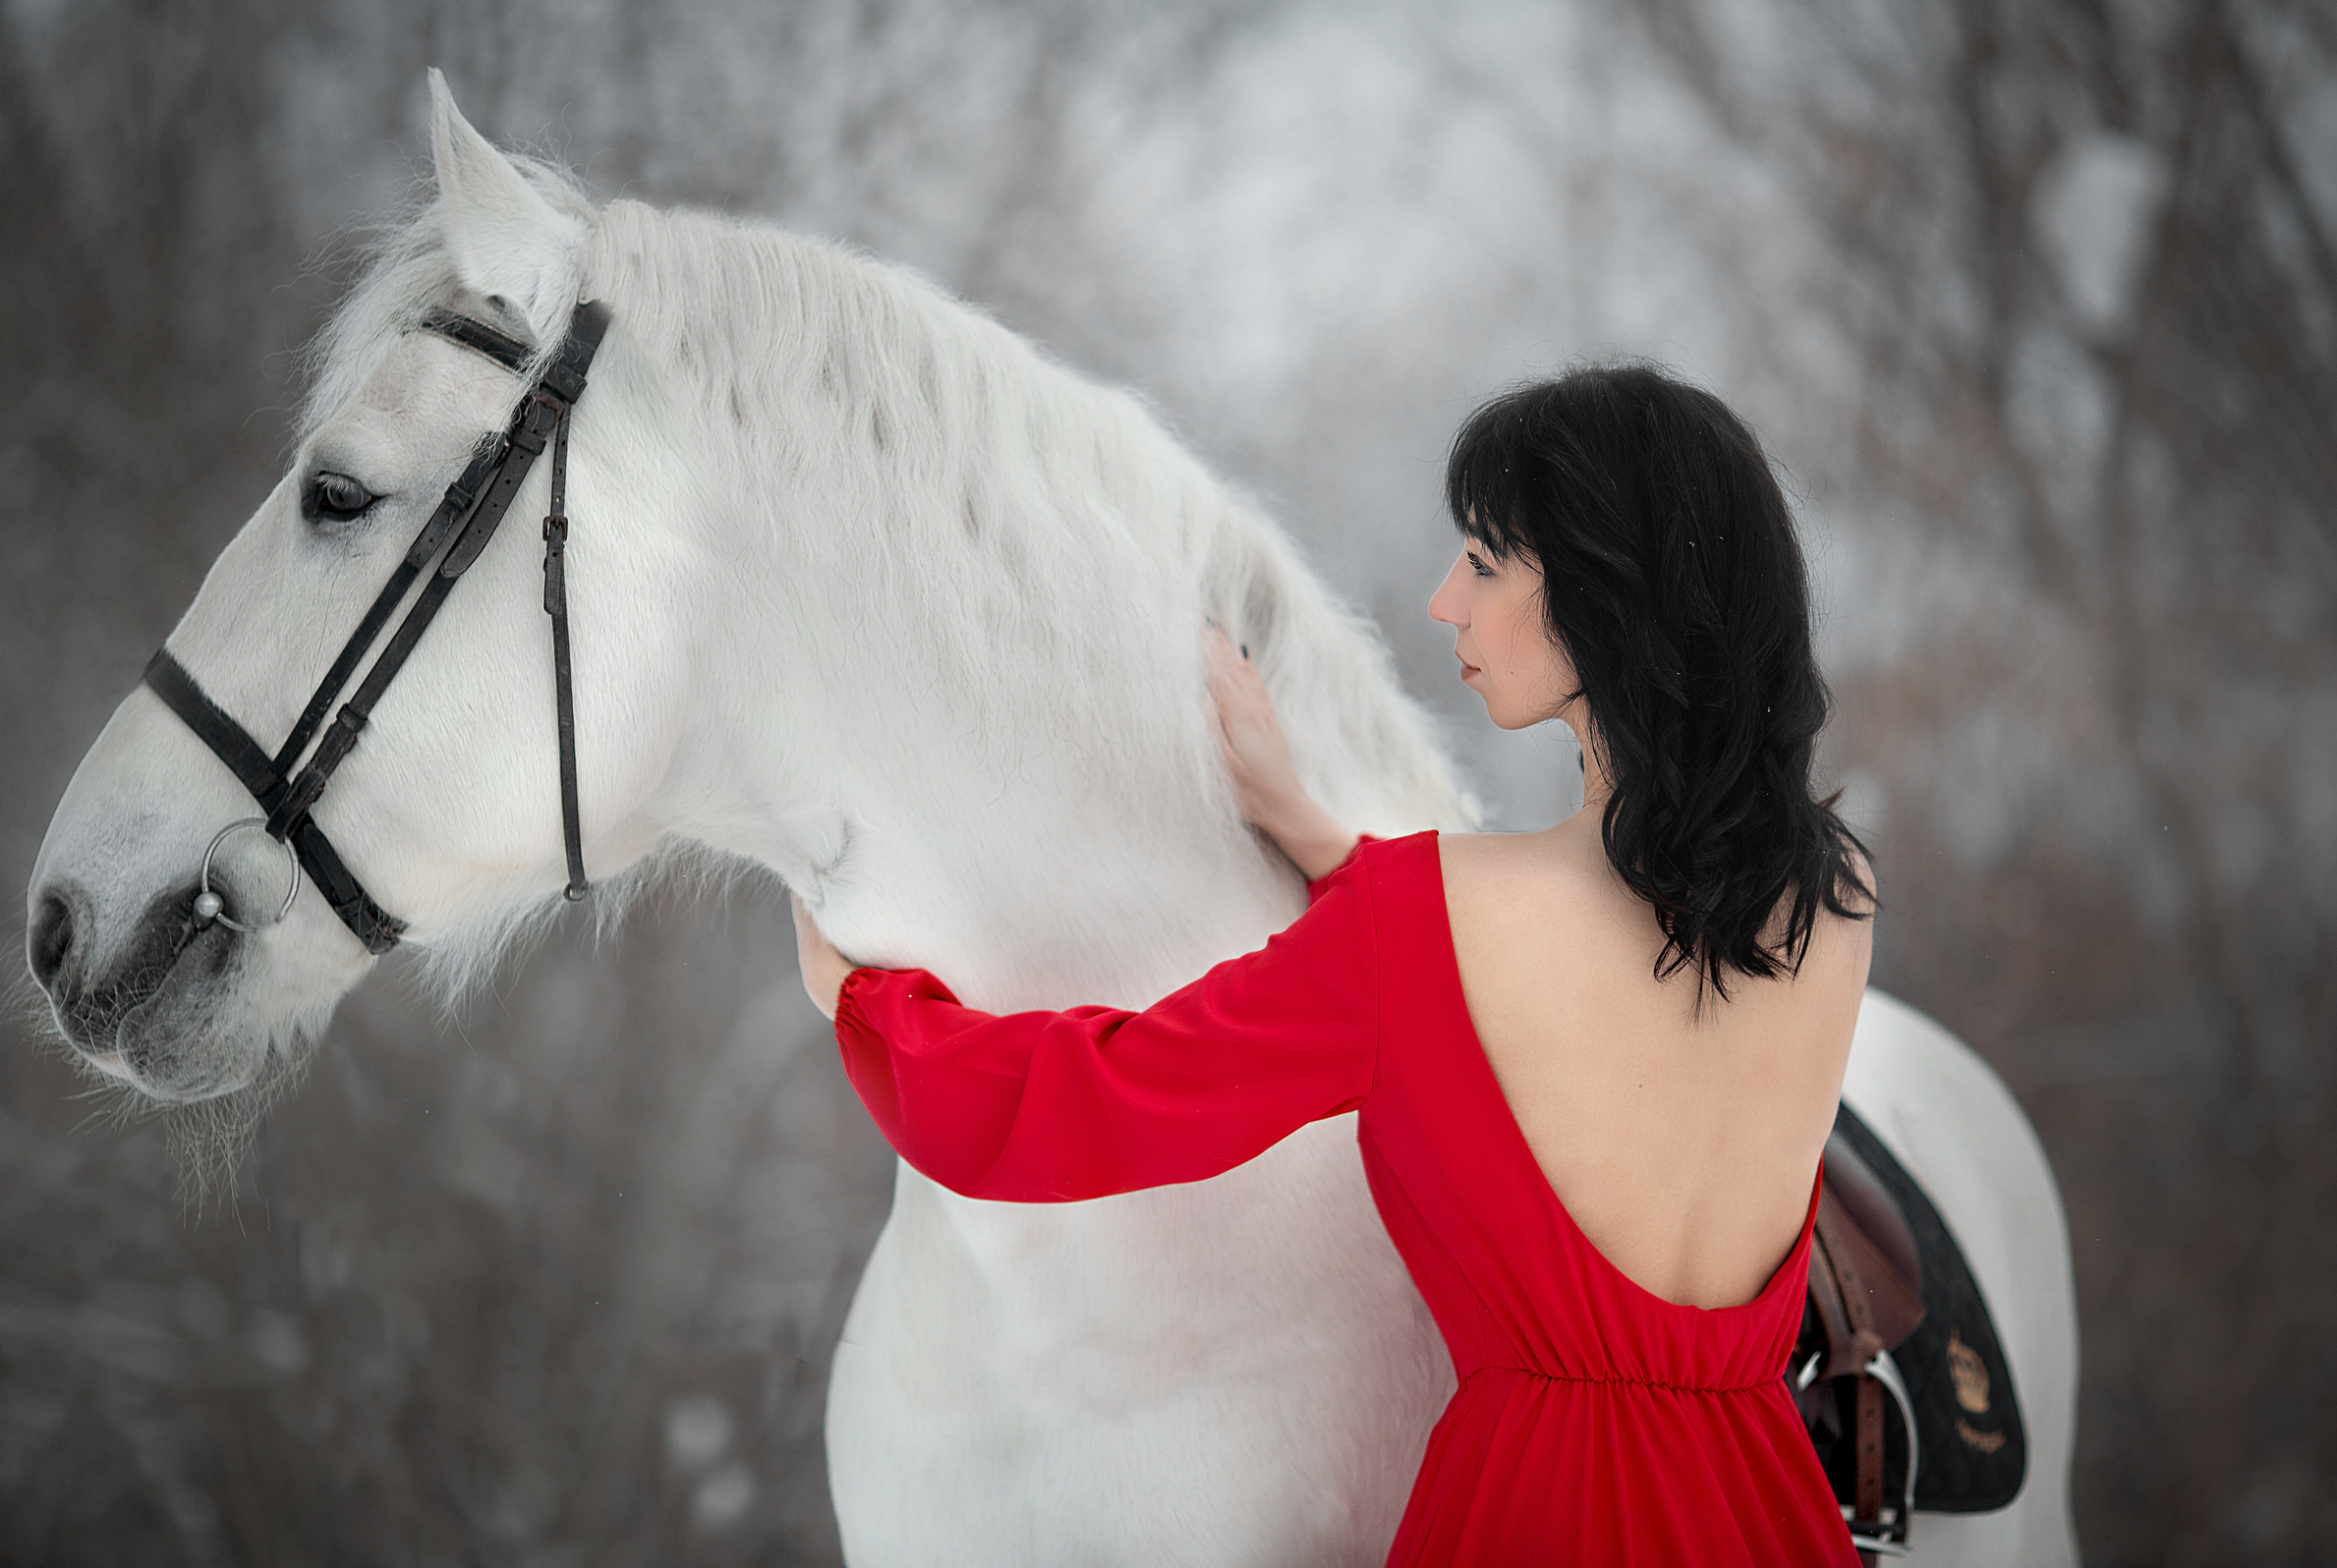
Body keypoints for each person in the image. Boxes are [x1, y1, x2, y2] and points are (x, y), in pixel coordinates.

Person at [791, 364, 1875, 1566]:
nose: (1441, 602)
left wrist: (867, 1005)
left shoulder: (1424, 922)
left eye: (1485, 560)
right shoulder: (1829, 903)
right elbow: (1574, 959)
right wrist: (1310, 827)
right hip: (1770, 1517)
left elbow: (1097, 1099)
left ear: (1605, 594)